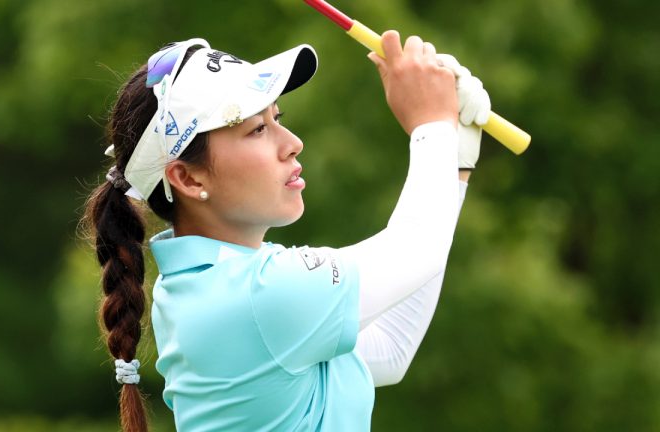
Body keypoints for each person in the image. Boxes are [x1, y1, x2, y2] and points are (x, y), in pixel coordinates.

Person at [83, 30, 490, 432]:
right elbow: (418, 249)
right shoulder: (259, 294)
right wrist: (433, 125)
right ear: (188, 179)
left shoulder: (203, 288)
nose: (292, 143)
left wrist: (453, 160)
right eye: (256, 129)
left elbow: (389, 349)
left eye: (276, 118)